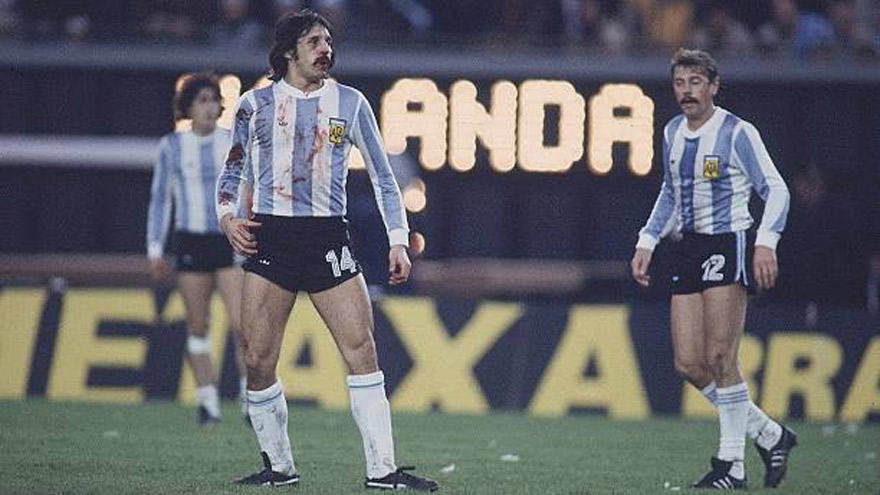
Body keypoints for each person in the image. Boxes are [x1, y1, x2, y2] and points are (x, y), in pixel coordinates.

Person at [216, 9, 438, 491]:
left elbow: (383, 177)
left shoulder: (351, 103)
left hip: (327, 239)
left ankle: (382, 471)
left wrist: (398, 240)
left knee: (362, 351)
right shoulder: (254, 106)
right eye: (315, 41)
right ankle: (279, 468)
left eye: (329, 41)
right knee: (257, 358)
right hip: (271, 237)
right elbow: (233, 170)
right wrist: (227, 216)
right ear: (289, 51)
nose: (325, 49)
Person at [630, 49, 796, 490]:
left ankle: (731, 467)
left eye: (696, 83)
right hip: (688, 246)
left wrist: (766, 243)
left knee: (722, 357)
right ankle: (769, 433)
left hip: (730, 242)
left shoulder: (737, 133)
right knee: (688, 363)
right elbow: (670, 190)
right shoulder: (671, 132)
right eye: (680, 84)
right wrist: (648, 240)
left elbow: (775, 189)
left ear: (714, 86)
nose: (687, 92)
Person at [147, 72, 248, 425]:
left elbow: (247, 192)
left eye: (213, 99)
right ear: (188, 107)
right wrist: (155, 248)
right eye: (202, 100)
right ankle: (208, 402)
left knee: (242, 325)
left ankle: (252, 397)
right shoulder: (171, 146)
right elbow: (160, 199)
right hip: (190, 239)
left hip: (228, 239)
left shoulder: (233, 141)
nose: (210, 106)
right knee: (198, 324)